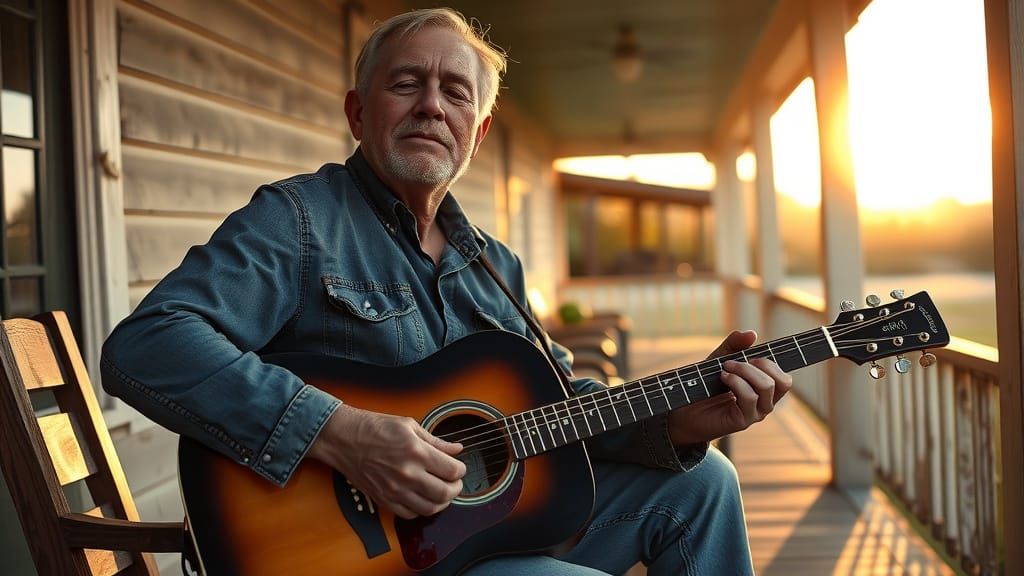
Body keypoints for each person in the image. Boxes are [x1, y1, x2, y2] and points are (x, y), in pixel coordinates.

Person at [101, 7, 792, 575]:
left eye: (456, 92)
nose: (432, 105)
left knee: (706, 484)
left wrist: (677, 421)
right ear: (358, 112)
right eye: (407, 83)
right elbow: (149, 344)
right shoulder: (301, 223)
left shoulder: (493, 264)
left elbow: (558, 406)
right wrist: (343, 434)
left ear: (478, 132)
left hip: (473, 532)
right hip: (346, 557)